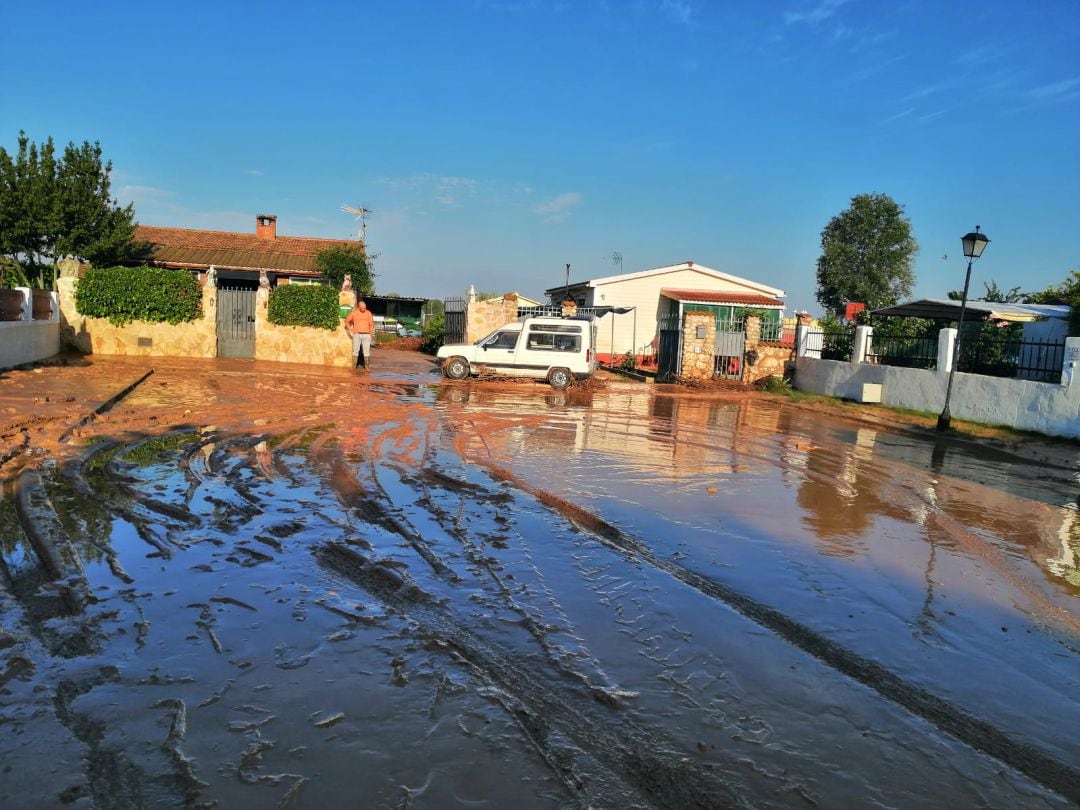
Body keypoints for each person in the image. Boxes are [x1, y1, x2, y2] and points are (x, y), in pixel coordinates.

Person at [344, 299, 375, 369]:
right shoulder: (354, 313)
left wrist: (370, 333)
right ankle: (354, 366)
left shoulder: (368, 313)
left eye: (365, 307)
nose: (364, 308)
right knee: (355, 350)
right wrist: (350, 329)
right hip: (357, 334)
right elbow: (346, 321)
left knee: (366, 350)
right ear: (359, 307)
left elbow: (371, 324)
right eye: (363, 307)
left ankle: (367, 367)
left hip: (366, 334)